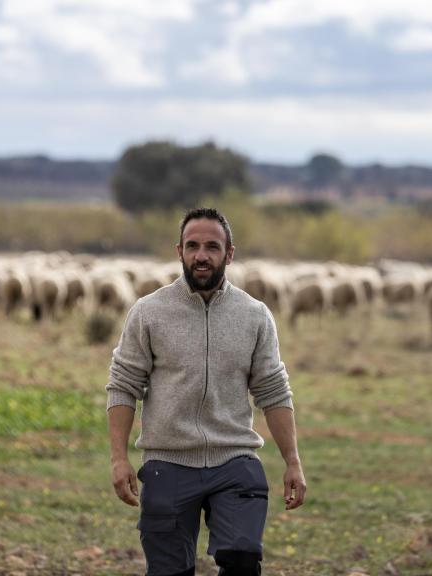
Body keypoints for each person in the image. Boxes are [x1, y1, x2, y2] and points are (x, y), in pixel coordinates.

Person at [106, 207, 306, 576]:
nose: (201, 255)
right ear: (179, 250)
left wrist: (292, 460)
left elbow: (274, 390)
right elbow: (123, 385)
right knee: (169, 571)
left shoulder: (255, 315)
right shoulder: (148, 312)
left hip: (235, 459)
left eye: (212, 247)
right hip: (168, 461)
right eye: (192, 246)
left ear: (229, 253)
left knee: (242, 557)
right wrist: (119, 459)